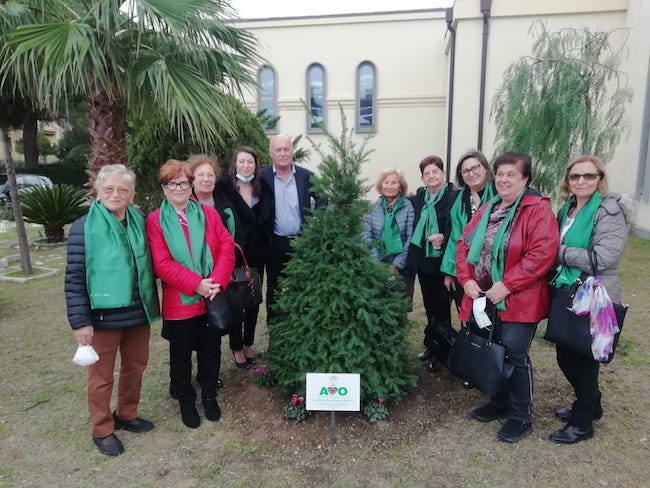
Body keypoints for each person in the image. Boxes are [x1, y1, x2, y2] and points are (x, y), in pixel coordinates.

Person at [456, 152, 559, 443]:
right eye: (500, 174)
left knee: (514, 354)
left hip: (518, 298)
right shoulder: (488, 207)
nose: (503, 180)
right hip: (483, 296)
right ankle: (498, 401)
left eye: (511, 174)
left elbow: (541, 254)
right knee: (492, 349)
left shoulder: (537, 209)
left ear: (525, 179)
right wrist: (466, 279)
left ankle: (521, 415)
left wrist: (508, 284)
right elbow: (464, 245)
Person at [65, 164, 160, 456]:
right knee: (101, 376)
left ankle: (127, 414)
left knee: (135, 367)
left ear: (131, 193)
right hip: (102, 316)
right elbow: (75, 276)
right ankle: (103, 428)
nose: (116, 194)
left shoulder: (139, 220)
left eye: (123, 189)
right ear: (98, 191)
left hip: (137, 309)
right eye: (109, 189)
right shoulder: (84, 227)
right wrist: (81, 321)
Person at [548, 155, 632, 444]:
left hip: (594, 294)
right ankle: (591, 401)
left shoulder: (609, 210)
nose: (581, 181)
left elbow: (603, 258)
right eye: (575, 176)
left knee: (585, 358)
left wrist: (556, 251)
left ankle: (582, 422)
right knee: (564, 353)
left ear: (600, 179)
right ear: (567, 181)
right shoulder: (567, 208)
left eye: (589, 176)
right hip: (565, 289)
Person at [146, 160, 234, 429]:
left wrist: (216, 282)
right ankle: (186, 398)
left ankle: (209, 394)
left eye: (184, 182)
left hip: (210, 297)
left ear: (191, 184)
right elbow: (162, 263)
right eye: (173, 183)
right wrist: (196, 284)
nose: (179, 188)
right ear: (164, 188)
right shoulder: (155, 220)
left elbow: (226, 247)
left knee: (211, 350)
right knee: (180, 354)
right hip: (180, 301)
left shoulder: (208, 215)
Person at [214, 147, 273, 367]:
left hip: (257, 254)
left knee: (253, 301)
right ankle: (237, 347)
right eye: (242, 161)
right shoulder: (223, 188)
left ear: (256, 165)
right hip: (233, 252)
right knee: (236, 303)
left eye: (250, 162)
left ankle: (248, 342)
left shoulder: (263, 188)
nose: (246, 166)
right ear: (235, 164)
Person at [261, 134, 323, 324]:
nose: (282, 153)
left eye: (286, 149)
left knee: (303, 287)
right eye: (278, 150)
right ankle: (276, 332)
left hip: (301, 242)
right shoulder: (262, 177)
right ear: (271, 153)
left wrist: (313, 222)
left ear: (292, 151)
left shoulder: (306, 176)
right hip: (275, 242)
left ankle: (302, 328)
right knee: (275, 289)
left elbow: (323, 198)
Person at [406, 156, 458, 364]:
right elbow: (399, 201)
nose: (431, 176)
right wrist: (379, 199)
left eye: (435, 172)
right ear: (422, 178)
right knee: (429, 306)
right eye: (427, 173)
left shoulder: (453, 197)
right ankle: (432, 345)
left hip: (444, 261)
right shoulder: (420, 198)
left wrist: (444, 237)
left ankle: (444, 352)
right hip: (424, 261)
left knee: (442, 308)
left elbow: (458, 226)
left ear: (443, 174)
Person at [441, 150, 494, 306]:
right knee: (466, 312)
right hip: (462, 267)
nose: (470, 174)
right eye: (465, 171)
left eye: (475, 168)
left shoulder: (499, 195)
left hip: (491, 266)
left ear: (485, 168)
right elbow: (451, 234)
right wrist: (449, 272)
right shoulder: (455, 198)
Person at [363, 168, 415, 296]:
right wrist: (378, 264)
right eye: (386, 182)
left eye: (394, 183)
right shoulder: (373, 206)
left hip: (402, 267)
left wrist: (396, 266)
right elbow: (366, 235)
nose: (389, 186)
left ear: (400, 187)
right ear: (381, 186)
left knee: (399, 306)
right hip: (376, 264)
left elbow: (410, 237)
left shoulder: (408, 206)